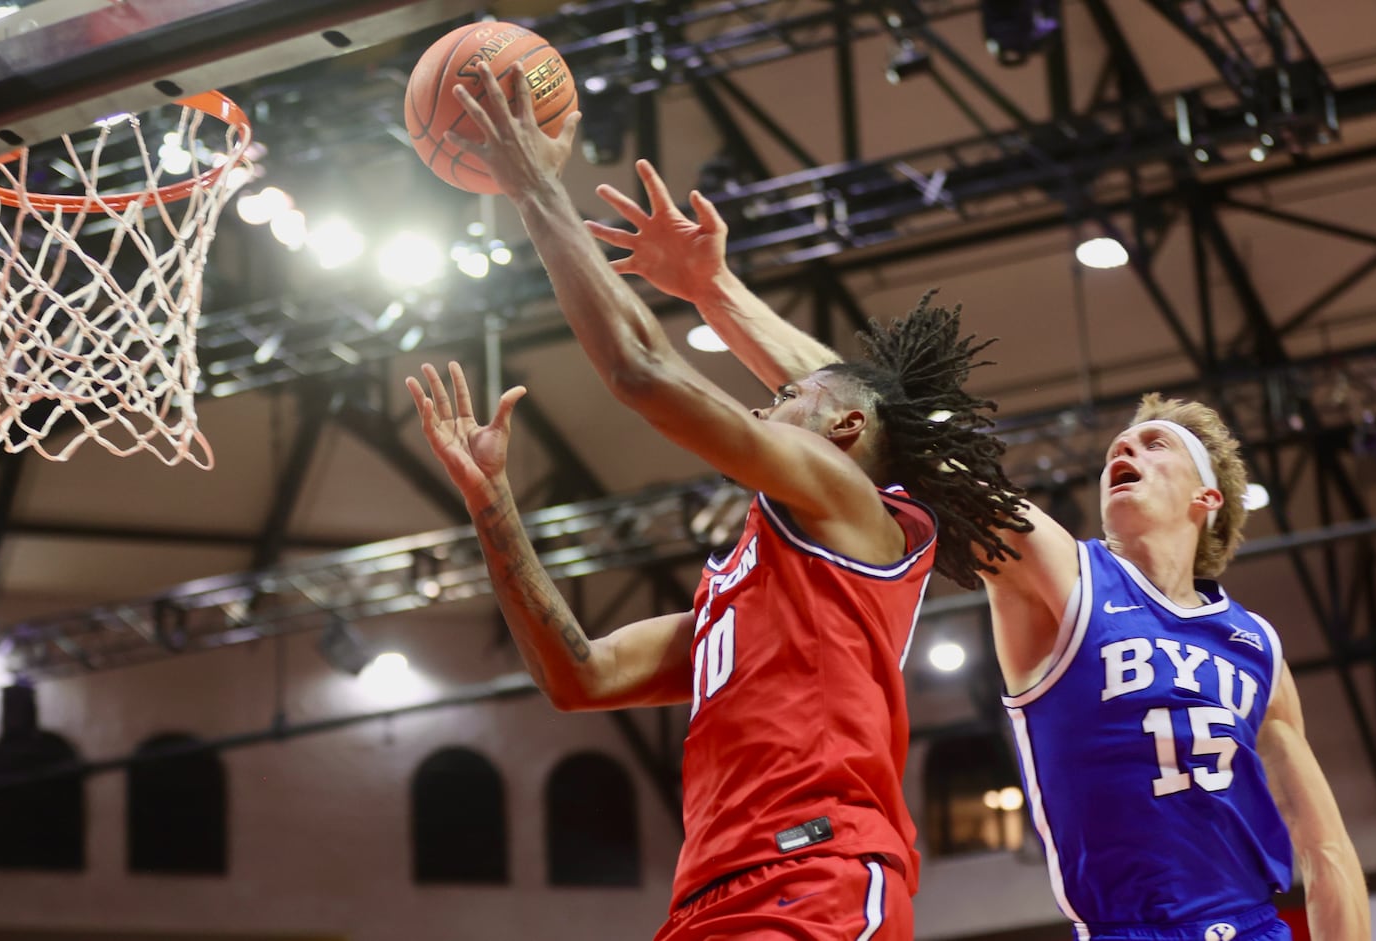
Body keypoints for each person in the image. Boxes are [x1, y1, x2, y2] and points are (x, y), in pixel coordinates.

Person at [584, 160, 1372, 940]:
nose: (1124, 450)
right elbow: (881, 423)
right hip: (1126, 926)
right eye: (1117, 446)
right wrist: (715, 291)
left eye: (1157, 444)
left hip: (1253, 922)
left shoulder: (1255, 647)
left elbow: (1327, 850)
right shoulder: (1068, 577)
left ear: (1209, 499)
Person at [405, 63, 1028, 941]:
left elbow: (644, 373)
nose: (767, 403)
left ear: (847, 427)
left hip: (816, 876)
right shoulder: (744, 591)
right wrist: (491, 503)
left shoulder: (851, 501)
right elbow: (577, 677)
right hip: (710, 896)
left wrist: (535, 187)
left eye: (788, 397)